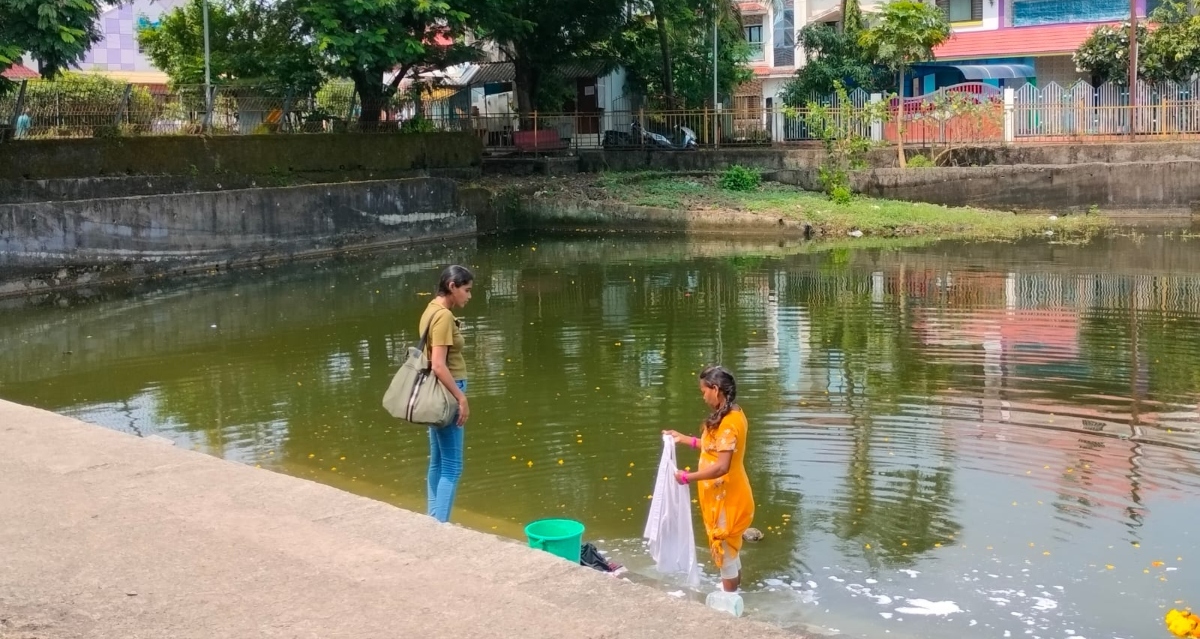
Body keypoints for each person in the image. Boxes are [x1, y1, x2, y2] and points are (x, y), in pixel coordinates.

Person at [664, 365, 755, 592]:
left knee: (724, 553)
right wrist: (685, 439)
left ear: (715, 389)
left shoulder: (729, 423)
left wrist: (687, 477)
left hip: (727, 497)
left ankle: (729, 604)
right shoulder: (731, 413)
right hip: (723, 494)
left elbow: (722, 466)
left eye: (704, 391)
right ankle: (735, 592)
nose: (703, 397)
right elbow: (715, 448)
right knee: (730, 554)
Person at [420, 265, 474, 523]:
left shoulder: (431, 309)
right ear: (452, 286)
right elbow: (439, 364)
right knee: (452, 466)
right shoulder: (442, 316)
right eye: (466, 290)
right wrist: (461, 398)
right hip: (447, 394)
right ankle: (440, 526)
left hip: (435, 393)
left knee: (438, 461)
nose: (469, 296)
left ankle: (433, 520)